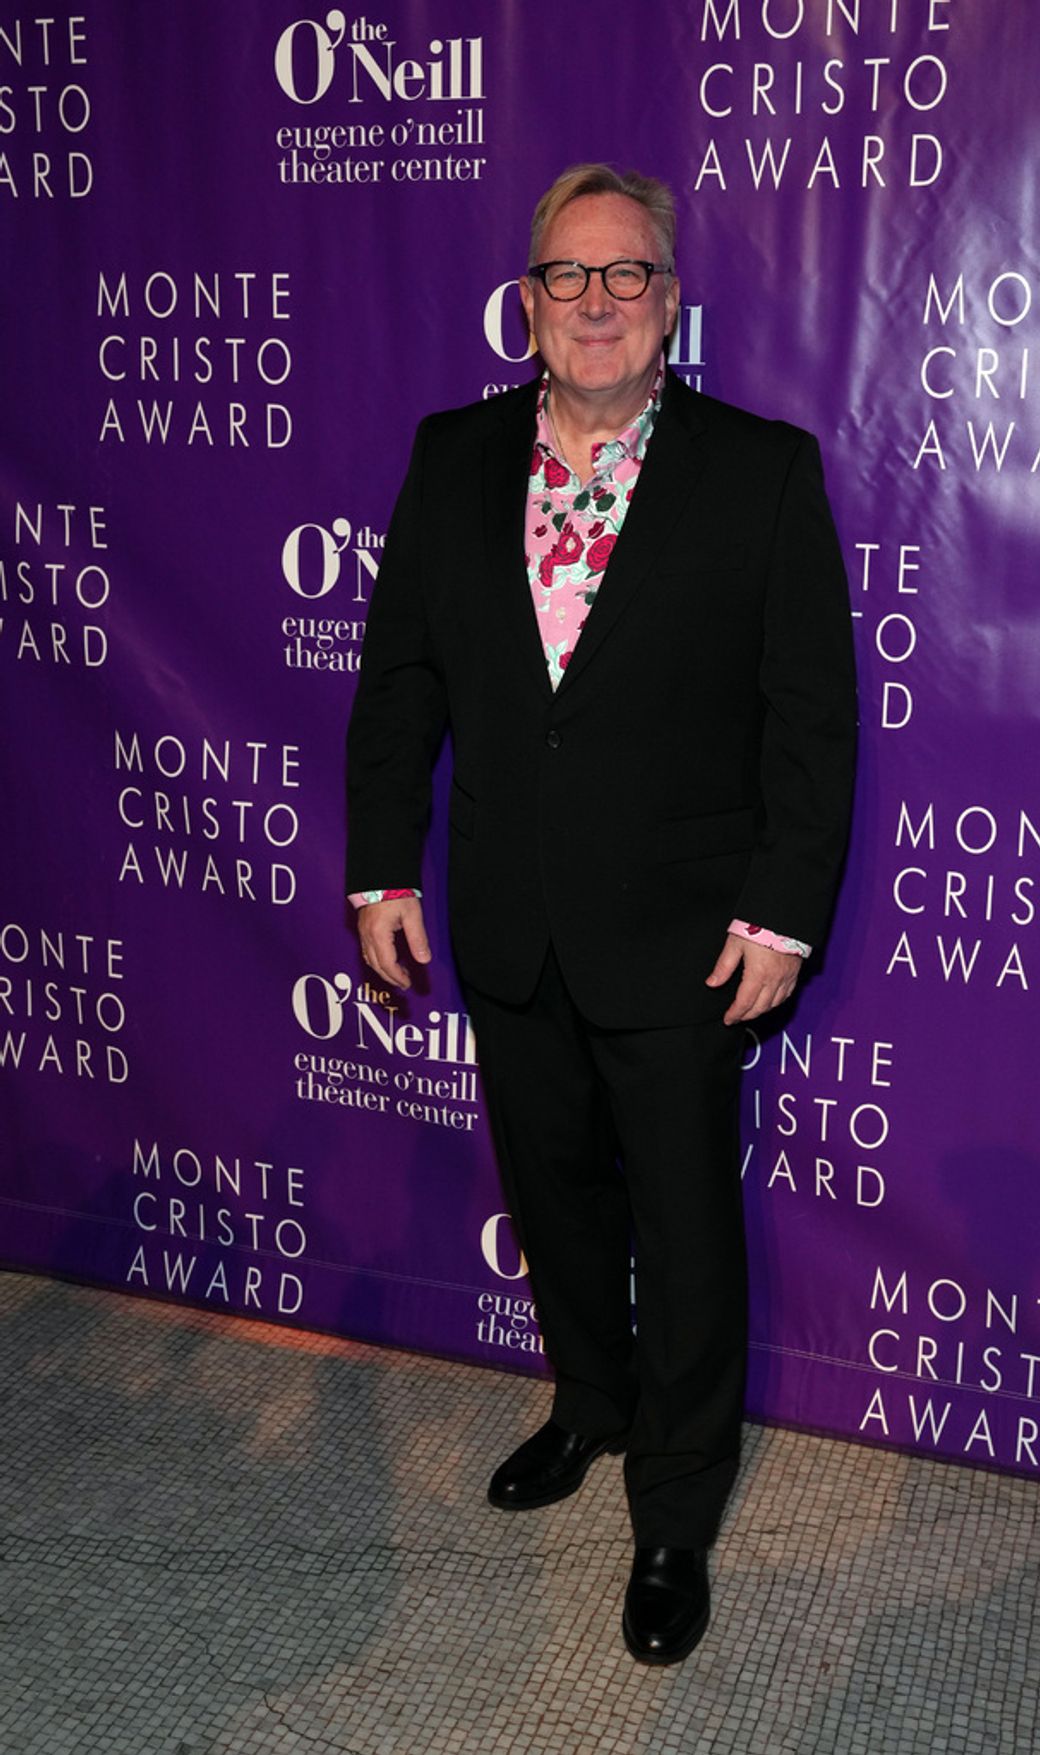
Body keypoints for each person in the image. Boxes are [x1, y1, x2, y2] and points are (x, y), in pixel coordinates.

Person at [346, 164, 857, 1664]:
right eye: (567, 278)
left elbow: (807, 720)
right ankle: (588, 1404)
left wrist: (779, 915)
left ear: (669, 305)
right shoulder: (451, 459)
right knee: (556, 1197)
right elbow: (402, 684)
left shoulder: (761, 471)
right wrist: (382, 868)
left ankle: (677, 1507)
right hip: (507, 920)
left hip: (684, 935)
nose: (595, 303)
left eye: (625, 276)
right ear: (527, 305)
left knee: (688, 1232)